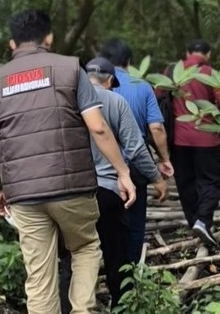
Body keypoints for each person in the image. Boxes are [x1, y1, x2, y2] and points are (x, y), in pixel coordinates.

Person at [0, 9, 136, 314]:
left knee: (39, 275)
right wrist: (123, 172)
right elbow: (98, 127)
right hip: (73, 188)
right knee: (86, 247)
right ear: (49, 38)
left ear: (12, 44)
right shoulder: (70, 69)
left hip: (23, 196)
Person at [60, 57, 168, 312]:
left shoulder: (65, 101)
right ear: (110, 81)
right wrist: (156, 178)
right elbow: (136, 148)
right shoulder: (115, 101)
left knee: (71, 257)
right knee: (116, 255)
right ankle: (120, 306)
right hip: (107, 192)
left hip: (71, 191)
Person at [100, 39, 174, 263]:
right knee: (134, 221)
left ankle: (109, 265)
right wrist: (164, 159)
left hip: (100, 164)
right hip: (134, 162)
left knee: (105, 219)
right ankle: (130, 270)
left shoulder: (87, 87)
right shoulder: (141, 85)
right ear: (129, 62)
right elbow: (156, 127)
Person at [169, 39, 220, 247]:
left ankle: (194, 221)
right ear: (208, 54)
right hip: (206, 137)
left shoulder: (172, 72)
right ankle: (202, 220)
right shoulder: (211, 74)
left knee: (186, 182)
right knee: (210, 180)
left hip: (179, 139)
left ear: (187, 52)